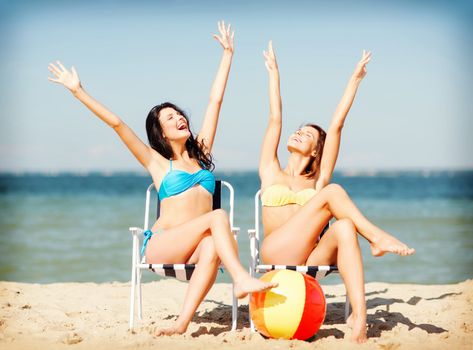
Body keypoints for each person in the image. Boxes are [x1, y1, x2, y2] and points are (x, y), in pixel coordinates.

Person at [47, 21, 277, 336]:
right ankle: (240, 278)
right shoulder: (156, 162)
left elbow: (215, 102)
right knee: (218, 215)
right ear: (161, 132)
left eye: (179, 114)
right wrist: (78, 91)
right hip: (164, 247)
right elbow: (117, 124)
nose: (179, 117)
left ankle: (182, 323)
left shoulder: (201, 154)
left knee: (212, 246)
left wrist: (228, 55)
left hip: (195, 249)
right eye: (170, 117)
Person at [258, 41, 415, 343]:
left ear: (317, 149)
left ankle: (360, 319)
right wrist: (274, 74)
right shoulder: (270, 170)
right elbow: (275, 118)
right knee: (333, 193)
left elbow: (337, 124)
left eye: (306, 134)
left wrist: (355, 79)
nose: (297, 132)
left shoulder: (318, 180)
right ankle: (376, 237)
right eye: (298, 130)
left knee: (343, 227)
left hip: (313, 256)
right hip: (276, 252)